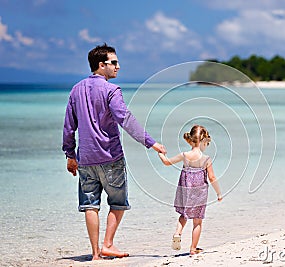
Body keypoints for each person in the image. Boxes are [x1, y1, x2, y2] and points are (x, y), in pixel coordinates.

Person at [62, 43, 166, 260]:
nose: (118, 67)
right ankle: (107, 244)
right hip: (111, 158)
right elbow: (125, 120)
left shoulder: (76, 90)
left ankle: (95, 254)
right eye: (114, 63)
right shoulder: (112, 90)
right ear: (102, 65)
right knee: (118, 203)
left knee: (90, 205)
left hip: (86, 159)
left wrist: (70, 155)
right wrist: (151, 143)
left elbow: (69, 127)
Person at [158, 125, 222, 255]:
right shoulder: (206, 159)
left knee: (184, 215)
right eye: (207, 143)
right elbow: (212, 177)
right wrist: (218, 193)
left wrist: (160, 154)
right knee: (197, 220)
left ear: (192, 139)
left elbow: (167, 162)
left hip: (185, 190)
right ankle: (193, 248)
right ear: (204, 141)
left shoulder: (185, 155)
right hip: (200, 192)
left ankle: (177, 233)